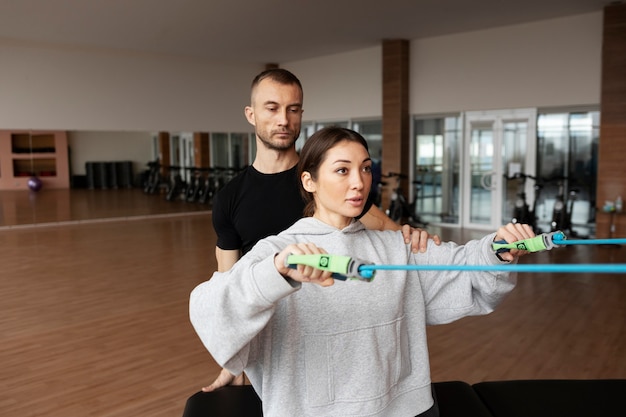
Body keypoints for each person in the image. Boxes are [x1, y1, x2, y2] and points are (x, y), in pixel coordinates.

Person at [190, 126, 535, 417]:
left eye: (366, 169)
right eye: (342, 170)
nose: (359, 182)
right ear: (309, 181)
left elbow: (461, 266)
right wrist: (277, 273)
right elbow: (211, 307)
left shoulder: (395, 247)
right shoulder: (276, 252)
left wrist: (498, 249)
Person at [206, 68, 440, 391]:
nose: (284, 120)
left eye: (293, 109)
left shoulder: (327, 181)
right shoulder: (229, 198)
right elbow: (228, 284)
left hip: (339, 334)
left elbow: (387, 229)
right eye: (272, 108)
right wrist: (231, 359)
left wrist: (412, 236)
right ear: (251, 114)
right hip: (279, 344)